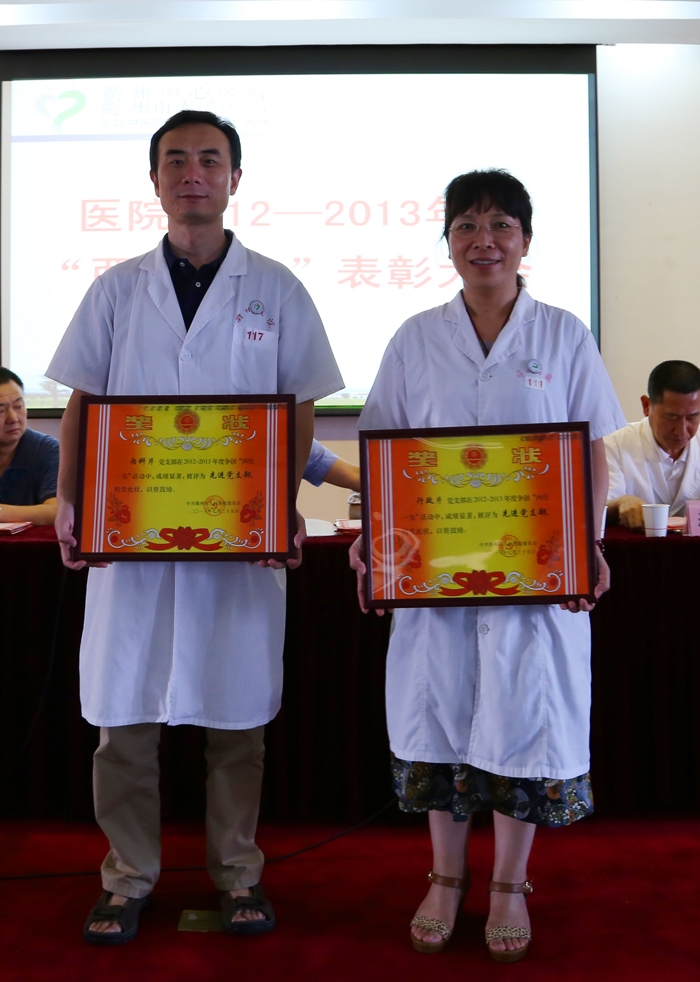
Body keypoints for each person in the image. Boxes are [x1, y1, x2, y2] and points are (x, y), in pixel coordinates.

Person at [46, 110, 343, 945]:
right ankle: (127, 877)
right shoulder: (116, 289)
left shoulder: (276, 287)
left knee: (236, 720)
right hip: (130, 538)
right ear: (155, 180)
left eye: (209, 159)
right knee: (123, 721)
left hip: (237, 543)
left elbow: (298, 405)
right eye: (175, 160)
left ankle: (238, 872)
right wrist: (68, 499)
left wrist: (282, 505)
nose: (192, 173)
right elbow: (83, 403)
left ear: (235, 179)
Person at [350, 169, 625, 962]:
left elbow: (590, 449)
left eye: (502, 224)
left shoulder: (563, 334)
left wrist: (588, 543)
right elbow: (385, 451)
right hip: (436, 572)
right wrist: (376, 538)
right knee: (440, 712)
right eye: (467, 225)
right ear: (447, 241)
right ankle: (445, 877)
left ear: (526, 240)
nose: (485, 241)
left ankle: (509, 883)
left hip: (532, 576)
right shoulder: (414, 337)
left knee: (522, 716)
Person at [605, 360, 700, 530]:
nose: (681, 430)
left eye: (692, 418)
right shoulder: (614, 444)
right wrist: (619, 503)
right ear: (646, 406)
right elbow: (598, 506)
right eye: (672, 418)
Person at [0, 367, 58, 525]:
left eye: (18, 406)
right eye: (1, 410)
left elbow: (57, 511)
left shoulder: (48, 451)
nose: (13, 418)